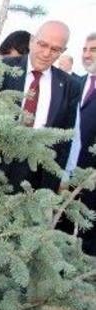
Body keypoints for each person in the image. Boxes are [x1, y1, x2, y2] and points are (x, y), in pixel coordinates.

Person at [0, 20, 80, 193]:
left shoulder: (69, 86)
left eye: (55, 49)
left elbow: (65, 139)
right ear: (31, 41)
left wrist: (55, 182)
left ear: (63, 51)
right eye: (42, 44)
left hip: (38, 177)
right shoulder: (3, 69)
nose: (46, 53)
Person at [61, 33, 96, 254]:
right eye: (84, 49)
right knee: (61, 225)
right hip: (70, 172)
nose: (86, 54)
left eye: (93, 49)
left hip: (94, 179)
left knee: (90, 235)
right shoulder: (75, 84)